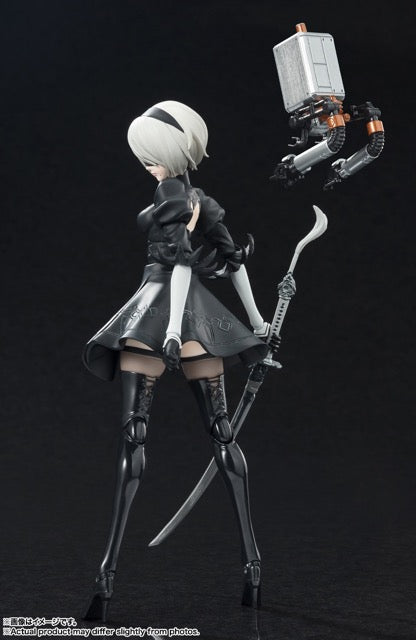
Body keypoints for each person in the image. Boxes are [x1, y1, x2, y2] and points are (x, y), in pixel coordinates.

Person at [82, 101, 271, 622]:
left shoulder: (168, 196)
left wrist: (176, 326)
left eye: (150, 157)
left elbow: (185, 258)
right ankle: (253, 567)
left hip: (154, 313)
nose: (147, 166)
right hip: (198, 322)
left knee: (134, 436)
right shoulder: (201, 201)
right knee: (223, 434)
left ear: (165, 154)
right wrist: (256, 321)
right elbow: (234, 261)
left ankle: (107, 575)